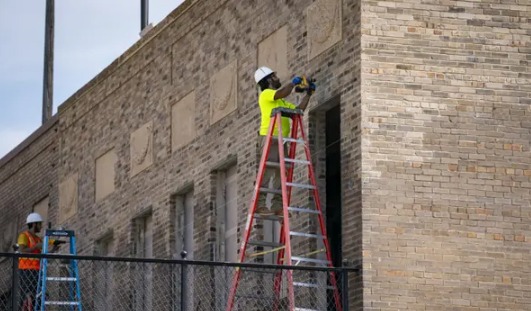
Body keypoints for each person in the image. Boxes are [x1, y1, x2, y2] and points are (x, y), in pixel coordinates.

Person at [254, 66, 316, 216]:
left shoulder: (281, 101)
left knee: (281, 174)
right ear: (268, 79)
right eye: (274, 76)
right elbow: (282, 91)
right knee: (268, 172)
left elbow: (298, 111)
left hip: (282, 141)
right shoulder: (266, 94)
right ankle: (260, 205)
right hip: (270, 139)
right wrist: (294, 82)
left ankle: (277, 206)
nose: (278, 78)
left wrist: (308, 94)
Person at [17, 212, 61, 310]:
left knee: (39, 295)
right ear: (34, 224)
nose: (41, 226)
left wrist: (53, 250)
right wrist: (36, 246)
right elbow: (21, 251)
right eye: (39, 224)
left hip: (37, 271)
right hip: (26, 271)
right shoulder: (24, 236)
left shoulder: (37, 238)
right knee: (28, 296)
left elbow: (41, 254)